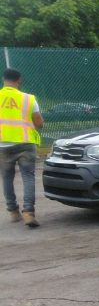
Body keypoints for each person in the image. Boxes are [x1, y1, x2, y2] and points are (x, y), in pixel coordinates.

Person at [0, 68, 43, 227]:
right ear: (19, 80)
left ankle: (13, 211)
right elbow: (39, 123)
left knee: (7, 177)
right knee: (28, 177)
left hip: (3, 144)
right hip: (25, 144)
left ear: (4, 80)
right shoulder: (28, 99)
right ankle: (29, 213)